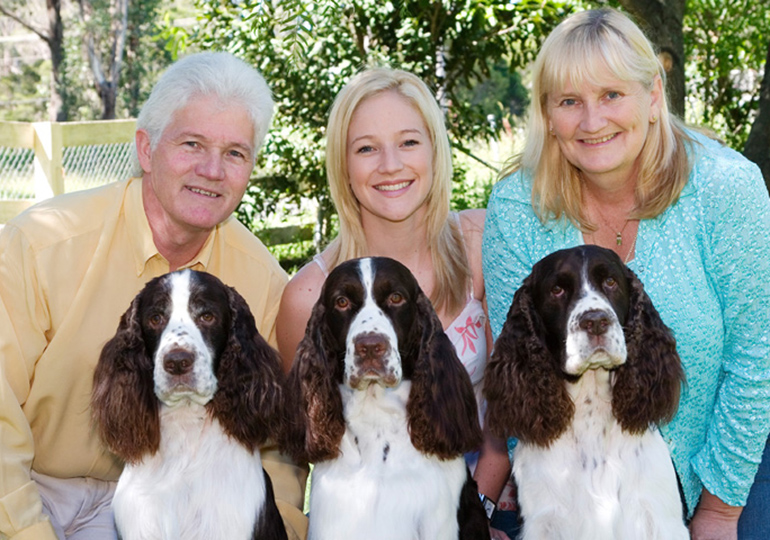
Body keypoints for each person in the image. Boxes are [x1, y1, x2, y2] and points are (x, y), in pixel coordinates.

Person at [482, 8, 770, 540]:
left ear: (654, 94)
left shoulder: (728, 188)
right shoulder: (518, 206)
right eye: (570, 102)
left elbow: (757, 358)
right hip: (570, 462)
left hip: (730, 448)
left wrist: (718, 512)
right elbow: (523, 364)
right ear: (547, 114)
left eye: (612, 95)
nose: (593, 122)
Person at [0, 52, 308, 540]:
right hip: (35, 490)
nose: (212, 170)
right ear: (146, 149)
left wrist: (281, 525)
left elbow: (278, 440)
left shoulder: (263, 279)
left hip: (181, 502)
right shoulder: (39, 245)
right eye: (192, 144)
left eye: (235, 153)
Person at [275, 67, 515, 539]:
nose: (390, 165)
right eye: (366, 148)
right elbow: (308, 439)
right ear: (343, 165)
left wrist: (478, 515)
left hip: (490, 498)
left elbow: (507, 417)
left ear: (434, 149)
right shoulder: (308, 295)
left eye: (408, 142)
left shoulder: (483, 243)